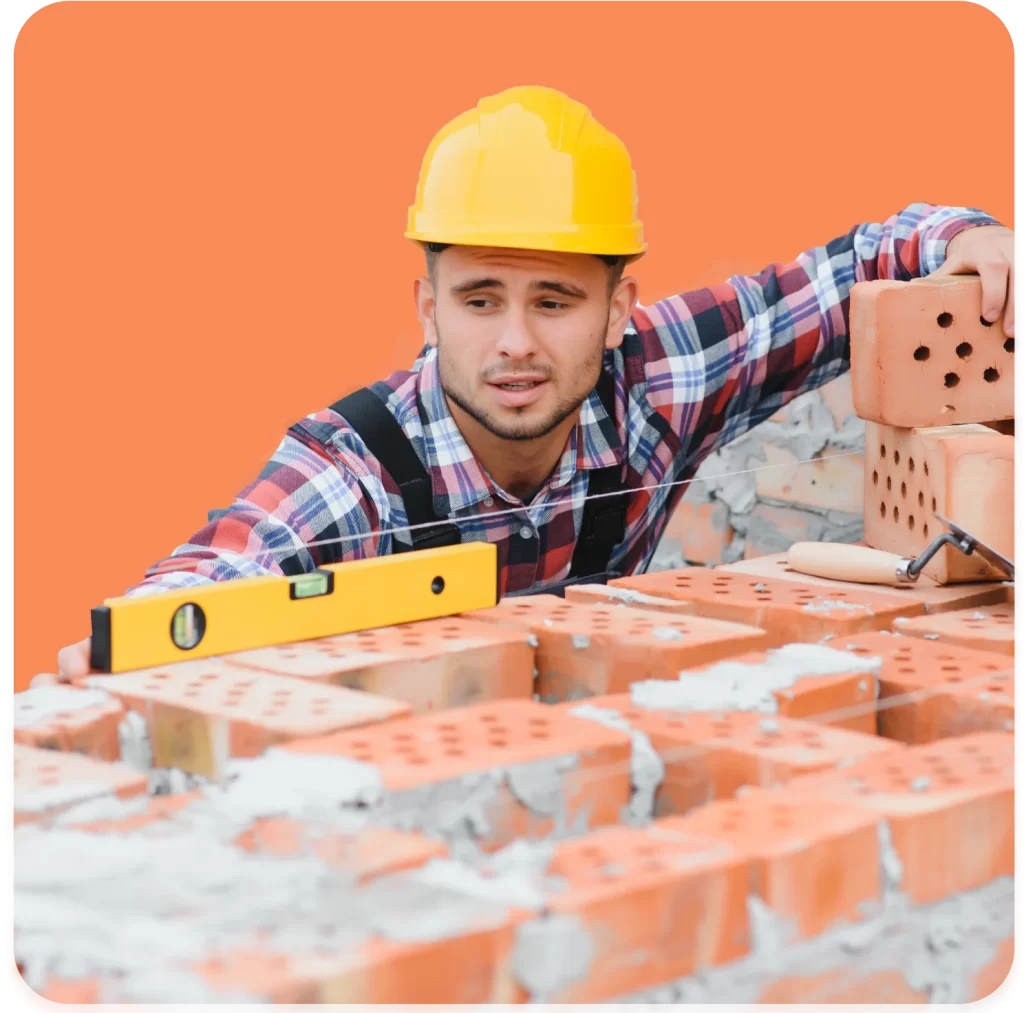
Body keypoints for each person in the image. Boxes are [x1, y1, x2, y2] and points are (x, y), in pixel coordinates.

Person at [47, 85, 1022, 684]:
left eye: (554, 301)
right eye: (479, 299)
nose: (515, 343)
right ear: (427, 311)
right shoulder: (364, 468)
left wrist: (965, 240)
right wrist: (121, 650)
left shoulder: (656, 381)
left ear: (616, 308)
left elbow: (842, 273)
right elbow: (202, 589)